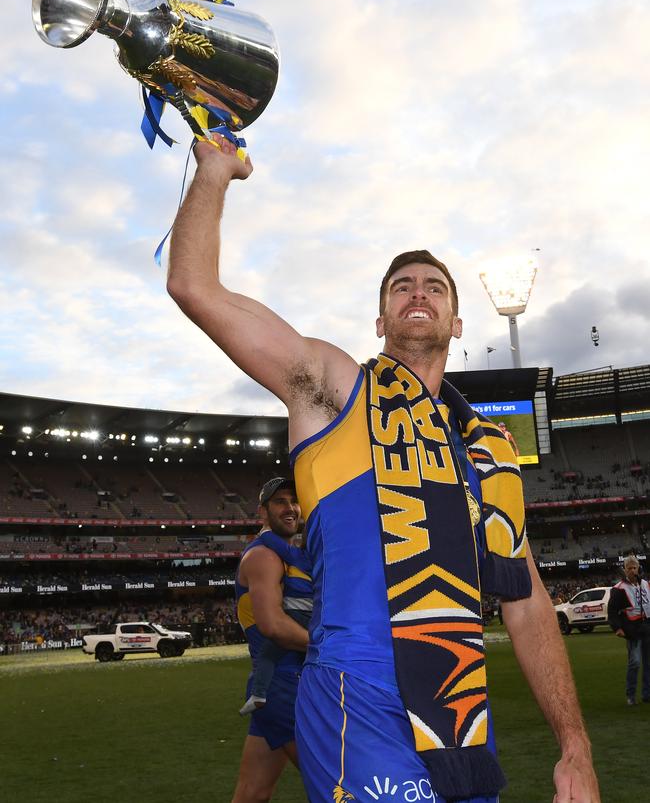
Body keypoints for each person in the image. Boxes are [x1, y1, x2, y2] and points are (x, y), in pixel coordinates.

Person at [167, 137, 600, 803]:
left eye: (433, 286)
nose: (417, 292)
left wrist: (574, 743)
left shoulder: (490, 451)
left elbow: (527, 599)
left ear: (457, 321)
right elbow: (194, 287)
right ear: (380, 317)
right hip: (354, 691)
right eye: (401, 286)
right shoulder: (336, 388)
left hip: (457, 718)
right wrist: (214, 172)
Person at [231, 477, 309, 802]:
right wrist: (330, 645)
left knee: (252, 793)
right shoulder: (263, 557)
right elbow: (273, 626)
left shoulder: (288, 555)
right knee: (338, 781)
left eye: (294, 500)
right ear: (262, 512)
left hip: (276, 688)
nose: (289, 508)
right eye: (279, 502)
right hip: (283, 686)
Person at [607, 554, 650, 705]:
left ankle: (647, 694)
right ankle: (631, 695)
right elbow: (612, 610)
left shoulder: (646, 584)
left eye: (634, 567)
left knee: (648, 663)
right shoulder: (619, 589)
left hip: (647, 627)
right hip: (632, 630)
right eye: (629, 568)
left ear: (639, 568)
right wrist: (617, 628)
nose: (632, 570)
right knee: (635, 662)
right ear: (624, 570)